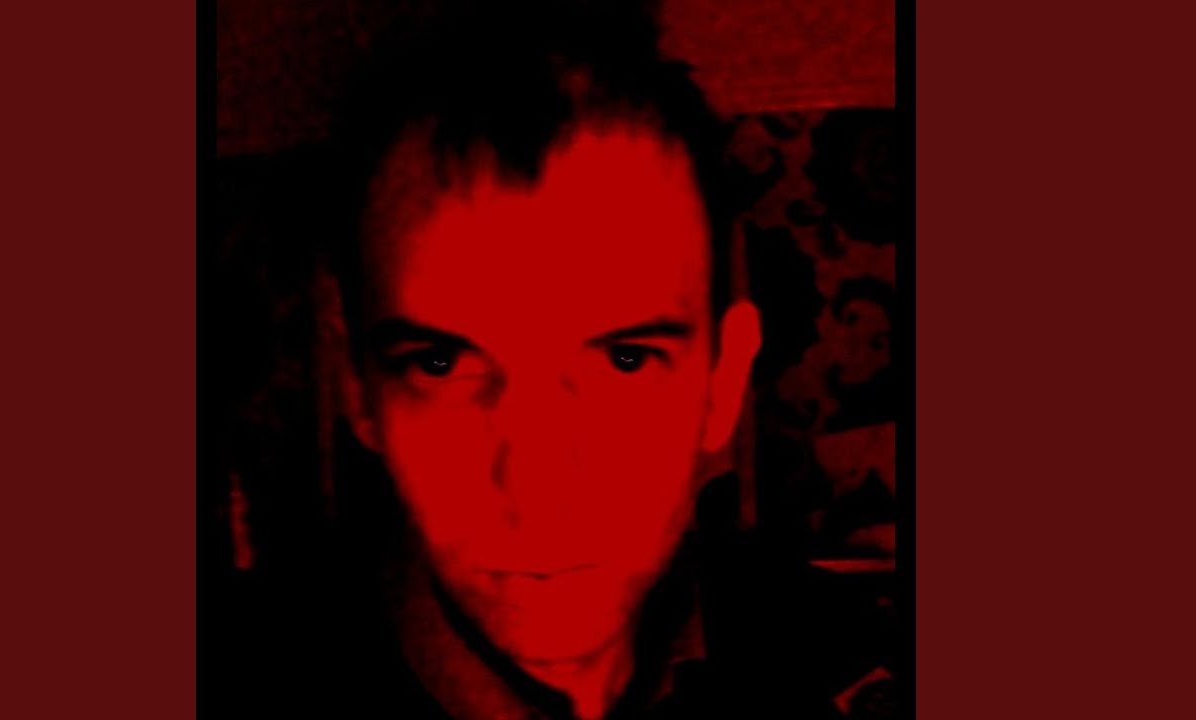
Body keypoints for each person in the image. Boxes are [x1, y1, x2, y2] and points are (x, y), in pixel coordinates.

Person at [218, 2, 891, 718]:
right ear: (357, 385)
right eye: (440, 365)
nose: (539, 495)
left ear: (723, 382)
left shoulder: (852, 667)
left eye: (625, 361)